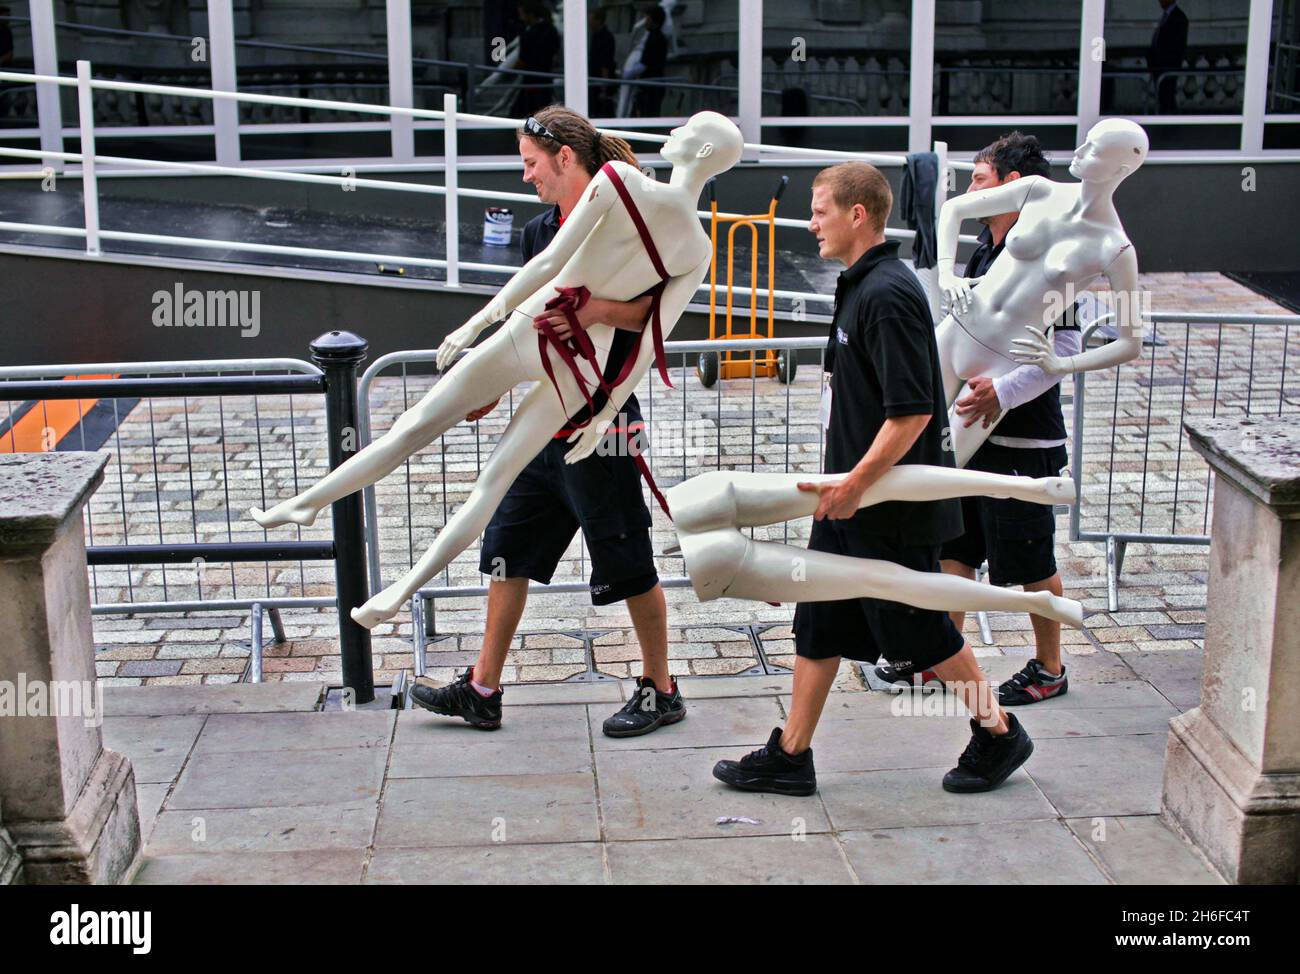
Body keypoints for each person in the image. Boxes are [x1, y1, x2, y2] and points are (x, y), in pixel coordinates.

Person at [249, 111, 742, 634]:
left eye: (685, 132)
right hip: (583, 373)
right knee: (489, 485)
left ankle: (313, 510)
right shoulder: (698, 246)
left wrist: (476, 324)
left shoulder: (621, 182)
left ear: (704, 153)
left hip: (535, 336)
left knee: (415, 432)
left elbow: (551, 268)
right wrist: (606, 409)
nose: (671, 134)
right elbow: (649, 344)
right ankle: (396, 587)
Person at [711, 163, 1036, 797]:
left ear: (858, 215)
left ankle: (998, 732)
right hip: (851, 499)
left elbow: (912, 410)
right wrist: (841, 488)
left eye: (820, 209)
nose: (811, 222)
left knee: (920, 632)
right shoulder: (861, 285)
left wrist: (856, 483)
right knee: (819, 621)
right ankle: (790, 754)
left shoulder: (886, 295)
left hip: (887, 505)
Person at [409, 106, 683, 737]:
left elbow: (656, 316)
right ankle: (483, 688)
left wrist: (594, 312)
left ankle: (661, 688)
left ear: (566, 159)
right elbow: (530, 325)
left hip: (602, 424)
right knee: (507, 550)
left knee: (627, 559)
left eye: (531, 164)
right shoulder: (540, 233)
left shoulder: (630, 221)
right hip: (544, 425)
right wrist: (489, 384)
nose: (526, 176)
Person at [880, 133, 1081, 704]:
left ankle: (1050, 667)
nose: (969, 189)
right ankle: (946, 659)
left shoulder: (1049, 257)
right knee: (957, 550)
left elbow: (1063, 349)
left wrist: (1004, 392)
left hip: (1023, 438)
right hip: (967, 432)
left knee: (1030, 560)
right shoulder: (983, 251)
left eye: (980, 179)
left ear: (1015, 186)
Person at [934, 118, 1148, 469]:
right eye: (1085, 142)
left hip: (1001, 360)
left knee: (943, 469)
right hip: (958, 329)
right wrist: (946, 272)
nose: (1078, 152)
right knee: (896, 440)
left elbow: (1130, 341)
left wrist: (1062, 364)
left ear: (1121, 167)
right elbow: (953, 209)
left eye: (1092, 149)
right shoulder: (1038, 189)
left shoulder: (1115, 248)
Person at [511, 1, 561, 117]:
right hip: (545, 78)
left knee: (521, 112)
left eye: (522, 14)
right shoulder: (551, 30)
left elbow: (522, 60)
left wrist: (511, 73)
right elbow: (555, 55)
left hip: (531, 81)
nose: (520, 18)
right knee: (543, 112)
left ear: (530, 15)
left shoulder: (528, 34)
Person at [1148, 0, 1189, 114]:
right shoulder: (1167, 16)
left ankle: (1168, 117)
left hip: (1168, 65)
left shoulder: (1179, 17)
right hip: (1160, 65)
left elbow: (1175, 45)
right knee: (1163, 95)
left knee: (1167, 95)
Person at [632, 6, 669, 118]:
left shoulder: (656, 38)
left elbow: (647, 62)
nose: (645, 22)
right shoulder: (657, 37)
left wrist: (633, 72)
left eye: (647, 19)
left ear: (654, 21)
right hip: (652, 84)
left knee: (647, 114)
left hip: (651, 85)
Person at [588, 8, 618, 116]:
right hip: (595, 80)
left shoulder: (605, 38)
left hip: (600, 82)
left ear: (598, 21)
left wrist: (603, 88)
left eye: (591, 20)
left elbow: (605, 63)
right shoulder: (596, 36)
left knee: (603, 110)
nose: (589, 23)